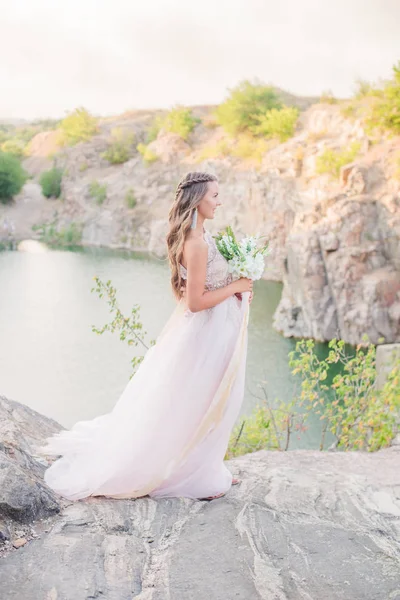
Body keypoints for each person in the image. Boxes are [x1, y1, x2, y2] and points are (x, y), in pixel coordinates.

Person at [36, 171, 253, 501]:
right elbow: (194, 303)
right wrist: (236, 286)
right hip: (204, 335)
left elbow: (205, 287)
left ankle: (205, 468)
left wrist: (232, 288)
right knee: (196, 404)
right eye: (214, 196)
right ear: (198, 201)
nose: (219, 202)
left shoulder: (206, 236)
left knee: (213, 403)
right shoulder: (194, 245)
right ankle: (188, 476)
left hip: (217, 330)